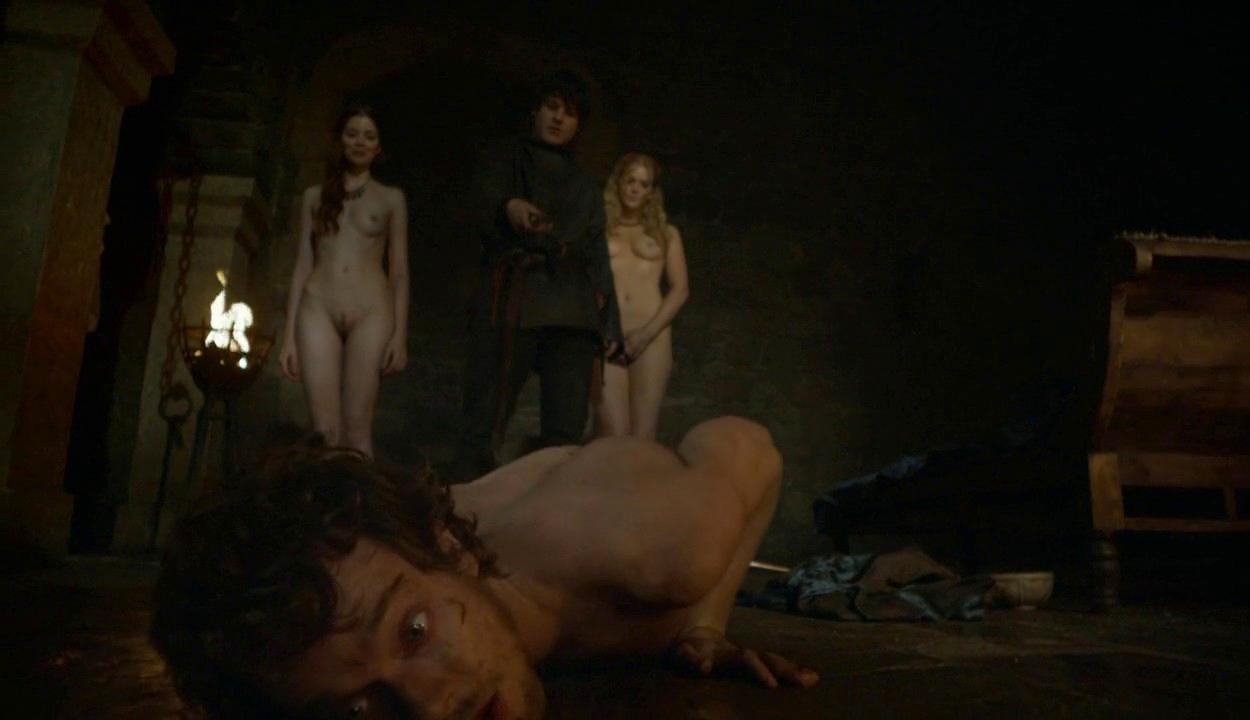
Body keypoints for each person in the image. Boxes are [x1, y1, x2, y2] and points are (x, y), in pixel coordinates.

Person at [151, 416, 819, 719]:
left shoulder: (660, 551)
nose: (428, 708)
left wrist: (707, 625)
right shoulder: (396, 552)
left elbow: (750, 446)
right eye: (358, 712)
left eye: (414, 632)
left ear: (450, 549)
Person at [456, 69, 622, 478]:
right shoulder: (503, 158)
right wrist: (507, 206)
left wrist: (610, 323)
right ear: (536, 110)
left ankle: (549, 509)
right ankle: (464, 501)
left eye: (570, 113)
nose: (559, 118)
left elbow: (597, 253)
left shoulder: (585, 186)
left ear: (578, 124)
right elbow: (477, 206)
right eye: (552, 107)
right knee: (483, 417)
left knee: (565, 432)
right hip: (513, 295)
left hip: (571, 306)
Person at [278, 104, 409, 457]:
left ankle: (360, 495)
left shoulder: (391, 198)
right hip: (318, 306)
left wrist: (400, 334)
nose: (359, 142)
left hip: (371, 310)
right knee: (324, 433)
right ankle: (324, 495)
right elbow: (303, 264)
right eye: (352, 134)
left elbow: (399, 272)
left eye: (369, 136)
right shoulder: (314, 197)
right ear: (340, 140)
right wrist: (289, 337)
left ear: (379, 146)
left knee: (356, 432)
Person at [595, 153, 689, 439]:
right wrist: (597, 328)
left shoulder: (666, 234)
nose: (635, 189)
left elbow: (680, 289)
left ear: (651, 192)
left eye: (644, 184)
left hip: (651, 336)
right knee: (614, 434)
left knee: (642, 437)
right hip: (607, 336)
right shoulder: (599, 230)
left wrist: (647, 334)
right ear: (618, 183)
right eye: (630, 181)